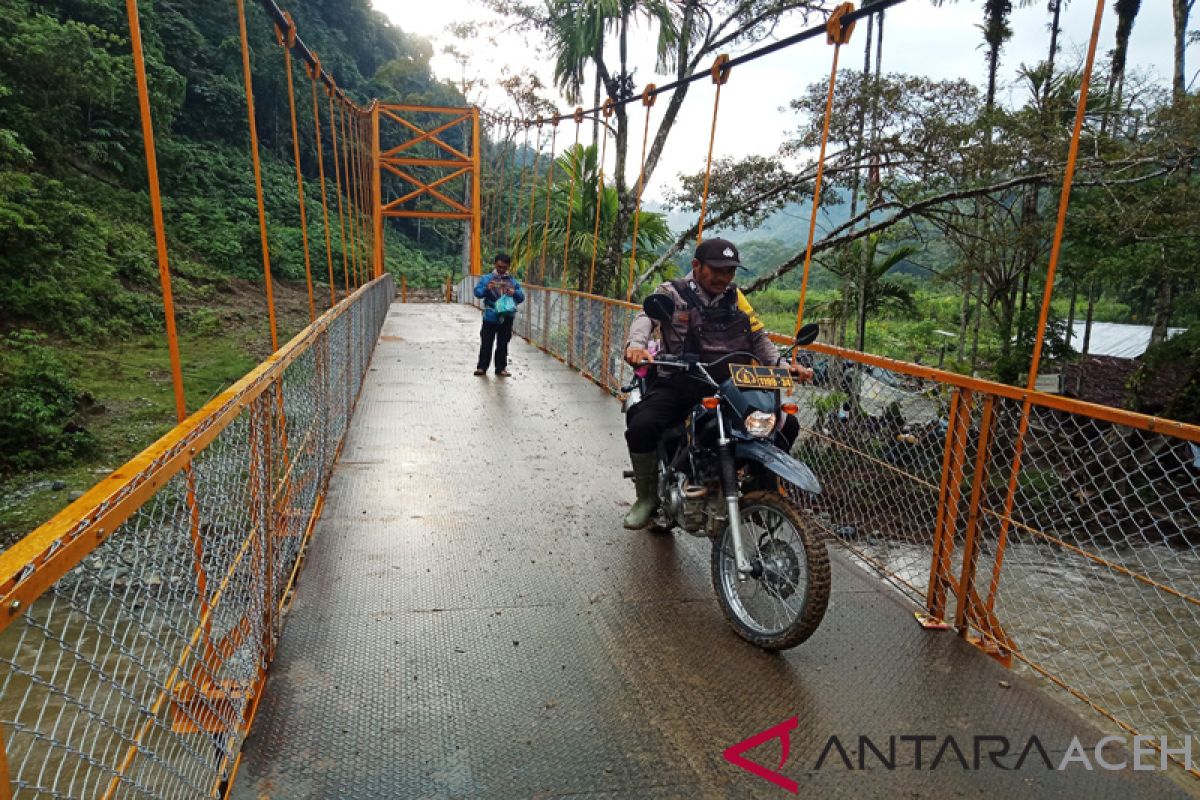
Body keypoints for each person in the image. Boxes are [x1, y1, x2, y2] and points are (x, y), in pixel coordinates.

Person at [621, 237, 814, 530]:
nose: (724, 278)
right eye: (717, 270)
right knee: (642, 424)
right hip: (681, 382)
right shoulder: (672, 292)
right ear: (696, 265)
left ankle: (760, 487)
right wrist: (636, 346)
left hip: (729, 385)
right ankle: (646, 498)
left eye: (730, 271)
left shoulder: (735, 298)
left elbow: (759, 338)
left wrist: (784, 367)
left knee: (785, 424)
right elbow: (646, 317)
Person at [473, 253, 525, 377]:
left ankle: (501, 368)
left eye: (504, 267)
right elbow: (477, 292)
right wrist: (487, 289)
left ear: (508, 267)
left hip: (507, 316)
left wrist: (514, 292)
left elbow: (521, 296)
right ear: (495, 264)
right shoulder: (487, 278)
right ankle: (482, 367)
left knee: (503, 342)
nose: (501, 270)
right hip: (491, 314)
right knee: (486, 341)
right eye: (499, 267)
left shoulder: (512, 281)